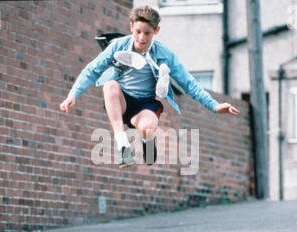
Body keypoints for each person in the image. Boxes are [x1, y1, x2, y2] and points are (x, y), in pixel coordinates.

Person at [60, 5, 240, 168]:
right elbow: (92, 70)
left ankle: (149, 145)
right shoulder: (118, 45)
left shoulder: (164, 54)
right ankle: (123, 146)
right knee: (110, 85)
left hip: (145, 104)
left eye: (147, 33)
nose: (141, 38)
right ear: (131, 27)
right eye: (138, 31)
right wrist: (73, 94)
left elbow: (189, 83)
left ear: (156, 31)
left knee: (148, 128)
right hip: (121, 100)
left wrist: (215, 106)